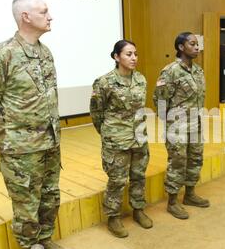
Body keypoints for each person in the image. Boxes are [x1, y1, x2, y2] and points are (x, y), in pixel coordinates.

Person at [0, 0, 73, 249]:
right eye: (44, 11)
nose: (50, 16)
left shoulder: (45, 52)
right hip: (21, 148)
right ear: (25, 17)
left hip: (50, 141)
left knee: (50, 196)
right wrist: (8, 132)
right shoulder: (0, 54)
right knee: (26, 201)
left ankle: (45, 240)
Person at [90, 40, 153, 238]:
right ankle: (113, 217)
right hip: (116, 139)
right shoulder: (104, 82)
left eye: (135, 54)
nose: (133, 58)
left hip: (139, 137)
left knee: (138, 176)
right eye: (128, 54)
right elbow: (96, 112)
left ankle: (138, 210)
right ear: (116, 57)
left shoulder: (141, 79)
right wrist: (110, 132)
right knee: (117, 179)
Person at [153, 32, 210, 219]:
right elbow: (160, 99)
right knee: (177, 162)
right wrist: (170, 122)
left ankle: (190, 194)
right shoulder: (170, 71)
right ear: (180, 47)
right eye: (192, 44)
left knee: (195, 159)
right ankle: (172, 201)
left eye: (197, 44)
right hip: (177, 126)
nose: (196, 47)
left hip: (196, 123)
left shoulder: (198, 71)